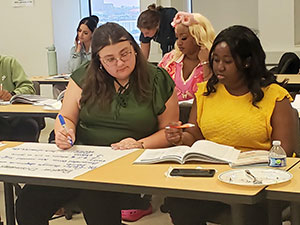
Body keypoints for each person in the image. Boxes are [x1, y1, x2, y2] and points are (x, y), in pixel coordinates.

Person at [16, 22, 179, 225]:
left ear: (134, 48)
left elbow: (171, 132)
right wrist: (64, 132)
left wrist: (141, 144)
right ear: (99, 61)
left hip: (128, 161)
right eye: (110, 59)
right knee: (28, 202)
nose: (120, 63)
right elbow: (65, 117)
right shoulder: (85, 77)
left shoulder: (157, 79)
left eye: (125, 53)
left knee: (96, 197)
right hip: (84, 158)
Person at [164, 25, 299, 225]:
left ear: (247, 62)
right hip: (212, 177)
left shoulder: (275, 97)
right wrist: (180, 137)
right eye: (216, 60)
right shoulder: (205, 93)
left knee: (249, 212)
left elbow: (284, 153)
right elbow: (195, 136)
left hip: (257, 182)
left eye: (227, 61)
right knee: (178, 201)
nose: (219, 67)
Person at [158, 11, 215, 102]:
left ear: (198, 37)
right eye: (177, 38)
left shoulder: (214, 61)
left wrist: (206, 63)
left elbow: (212, 94)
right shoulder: (169, 60)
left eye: (184, 38)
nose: (179, 43)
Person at [53, 15, 99, 98]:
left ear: (93, 34)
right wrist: (78, 51)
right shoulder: (74, 49)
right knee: (57, 87)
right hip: (78, 81)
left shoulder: (98, 49)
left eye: (85, 33)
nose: (80, 35)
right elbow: (74, 70)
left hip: (92, 82)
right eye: (79, 31)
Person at [0, 55, 43, 142]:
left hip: (16, 116)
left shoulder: (9, 63)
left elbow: (29, 88)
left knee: (27, 126)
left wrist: (12, 95)